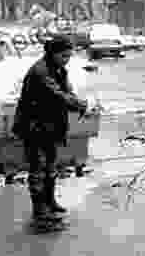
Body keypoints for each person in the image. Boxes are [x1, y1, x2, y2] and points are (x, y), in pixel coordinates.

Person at [12, 35, 88, 222]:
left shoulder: (58, 68)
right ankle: (40, 209)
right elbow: (58, 95)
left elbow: (67, 91)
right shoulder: (40, 72)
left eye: (69, 56)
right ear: (53, 53)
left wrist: (76, 100)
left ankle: (50, 201)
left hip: (49, 125)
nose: (67, 60)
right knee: (37, 168)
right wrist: (79, 104)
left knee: (51, 165)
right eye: (64, 56)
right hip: (34, 126)